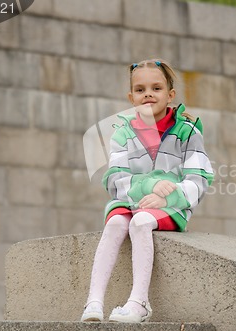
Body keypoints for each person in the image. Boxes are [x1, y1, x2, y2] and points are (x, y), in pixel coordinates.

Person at [80, 59, 214, 323]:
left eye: (156, 88)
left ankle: (139, 303)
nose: (148, 94)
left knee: (140, 222)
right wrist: (150, 187)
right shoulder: (122, 133)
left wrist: (168, 194)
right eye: (140, 90)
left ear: (170, 95)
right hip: (132, 202)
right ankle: (94, 301)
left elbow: (199, 179)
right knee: (116, 221)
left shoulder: (187, 132)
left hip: (173, 207)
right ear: (131, 97)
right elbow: (115, 180)